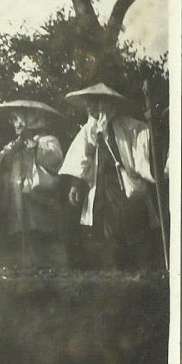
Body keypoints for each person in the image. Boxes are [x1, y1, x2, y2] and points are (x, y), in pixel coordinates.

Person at [58, 83, 161, 271]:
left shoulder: (127, 126)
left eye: (93, 103)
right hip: (101, 185)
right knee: (104, 224)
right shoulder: (89, 130)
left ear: (104, 103)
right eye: (88, 104)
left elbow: (144, 138)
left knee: (130, 222)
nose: (89, 108)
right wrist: (75, 184)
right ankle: (111, 268)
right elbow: (82, 156)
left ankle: (135, 267)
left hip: (124, 182)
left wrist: (148, 131)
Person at [0, 100, 66, 268]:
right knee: (20, 233)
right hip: (18, 196)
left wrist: (36, 148)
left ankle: (48, 268)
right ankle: (25, 268)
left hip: (39, 195)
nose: (16, 124)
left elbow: (56, 160)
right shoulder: (13, 144)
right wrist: (11, 152)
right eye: (14, 120)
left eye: (19, 119)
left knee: (41, 233)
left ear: (32, 120)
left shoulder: (48, 140)